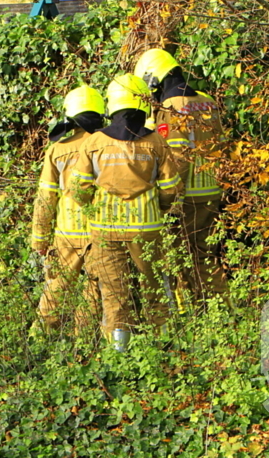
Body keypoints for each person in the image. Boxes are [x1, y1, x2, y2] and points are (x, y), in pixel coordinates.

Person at [69, 74, 182, 351]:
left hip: (106, 230)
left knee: (114, 294)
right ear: (144, 104)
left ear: (112, 105)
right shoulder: (156, 142)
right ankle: (164, 347)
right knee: (154, 287)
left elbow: (77, 187)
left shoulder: (93, 142)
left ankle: (120, 354)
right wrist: (161, 208)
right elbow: (171, 188)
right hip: (147, 227)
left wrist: (92, 206)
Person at [135, 48, 228, 301]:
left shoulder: (172, 107)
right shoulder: (207, 101)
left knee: (186, 259)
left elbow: (178, 159)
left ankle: (216, 316)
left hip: (187, 198)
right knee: (205, 255)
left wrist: (171, 203)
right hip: (211, 191)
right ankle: (216, 315)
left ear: (154, 80)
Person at [30, 85, 106, 332]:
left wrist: (39, 240)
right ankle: (83, 343)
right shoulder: (108, 144)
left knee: (57, 286)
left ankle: (41, 337)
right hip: (99, 231)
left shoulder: (57, 150)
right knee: (94, 289)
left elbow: (45, 198)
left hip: (66, 232)